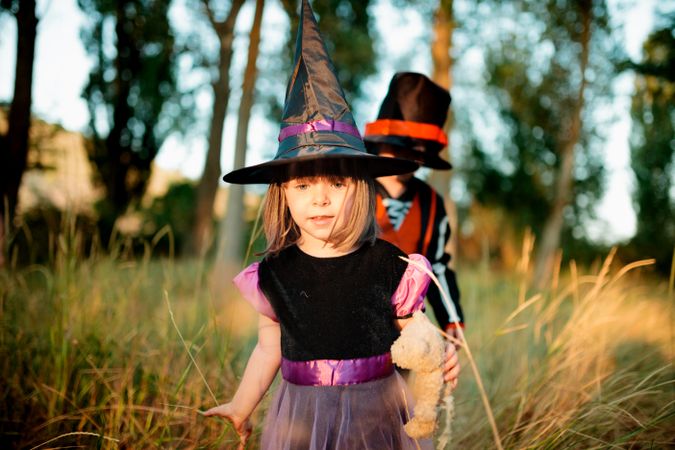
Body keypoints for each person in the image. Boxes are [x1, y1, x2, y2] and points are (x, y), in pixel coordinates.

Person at [203, 2, 459, 449]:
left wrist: (442, 345)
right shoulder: (277, 272)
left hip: (377, 401)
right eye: (302, 186)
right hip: (302, 413)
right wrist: (242, 405)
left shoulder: (400, 247)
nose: (319, 197)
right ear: (282, 194)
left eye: (337, 182)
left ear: (358, 188)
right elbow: (268, 348)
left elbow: (421, 312)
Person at [364, 73, 465, 339]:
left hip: (408, 333)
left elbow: (438, 269)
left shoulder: (433, 205)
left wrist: (452, 322)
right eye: (400, 150)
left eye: (416, 154)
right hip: (354, 324)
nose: (407, 161)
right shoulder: (354, 191)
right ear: (380, 144)